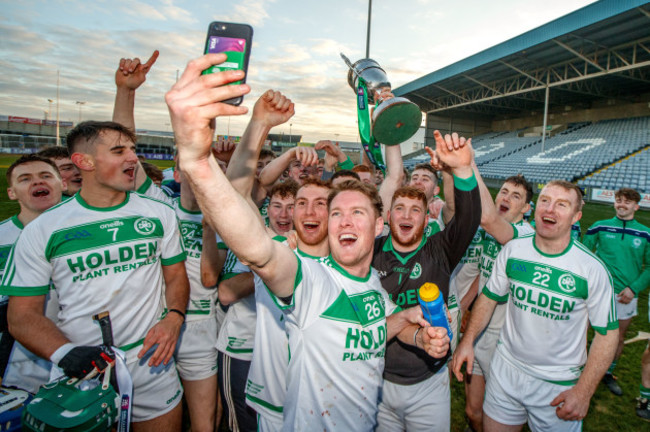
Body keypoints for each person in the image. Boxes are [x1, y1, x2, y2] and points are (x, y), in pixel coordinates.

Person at [166, 53, 450, 431]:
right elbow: (254, 239)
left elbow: (375, 326)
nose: (343, 220)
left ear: (380, 226)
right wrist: (198, 161)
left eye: (356, 213)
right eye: (336, 213)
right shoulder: (309, 279)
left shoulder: (370, 287)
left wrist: (414, 328)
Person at [1, 121, 190, 431]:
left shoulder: (159, 213)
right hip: (82, 369)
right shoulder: (43, 229)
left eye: (133, 150)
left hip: (151, 363)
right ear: (83, 162)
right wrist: (66, 353)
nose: (133, 158)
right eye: (119, 151)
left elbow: (176, 277)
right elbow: (21, 317)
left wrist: (174, 317)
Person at [453, 180, 619, 432]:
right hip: (505, 371)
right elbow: (488, 298)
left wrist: (584, 392)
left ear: (576, 217)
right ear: (536, 208)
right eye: (545, 201)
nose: (550, 210)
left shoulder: (591, 270)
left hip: (556, 384)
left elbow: (607, 336)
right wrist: (467, 341)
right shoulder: (513, 250)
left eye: (561, 205)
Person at [372, 131, 481, 432]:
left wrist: (462, 171)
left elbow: (468, 219)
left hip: (429, 382)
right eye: (399, 209)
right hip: (377, 380)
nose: (407, 215)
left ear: (425, 219)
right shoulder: (370, 253)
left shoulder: (440, 250)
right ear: (388, 217)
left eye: (415, 210)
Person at [462, 173, 535, 432]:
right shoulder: (490, 234)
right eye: (503, 191)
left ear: (526, 209)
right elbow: (484, 273)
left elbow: (487, 218)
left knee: (501, 417)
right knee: (472, 410)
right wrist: (464, 308)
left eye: (516, 196)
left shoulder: (524, 235)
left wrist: (468, 166)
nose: (506, 197)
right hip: (481, 332)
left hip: (505, 343)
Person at [0, 155, 65, 393]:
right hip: (17, 364)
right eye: (25, 179)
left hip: (83, 350)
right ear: (12, 193)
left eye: (46, 176)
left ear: (62, 184)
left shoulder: (88, 232)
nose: (37, 182)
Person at [582, 187, 650, 396]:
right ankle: (578, 367)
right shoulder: (599, 226)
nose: (622, 204)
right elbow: (583, 255)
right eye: (619, 200)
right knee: (581, 331)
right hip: (596, 292)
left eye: (627, 202)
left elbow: (649, 267)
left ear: (636, 207)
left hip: (625, 296)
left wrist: (634, 288)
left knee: (617, 337)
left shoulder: (646, 233)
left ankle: (607, 373)